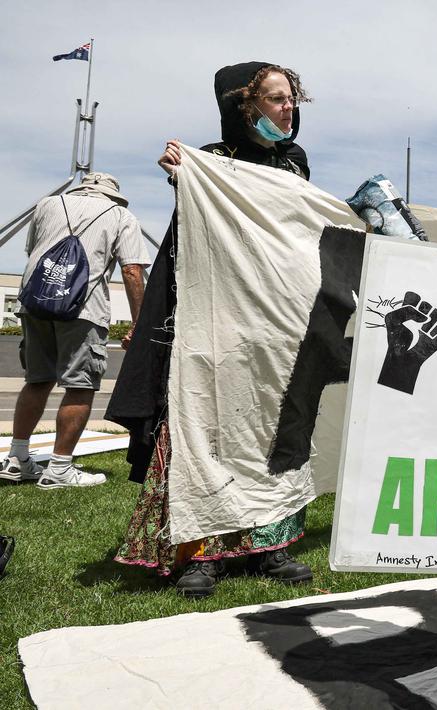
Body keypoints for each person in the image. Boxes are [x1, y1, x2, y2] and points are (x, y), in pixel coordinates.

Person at [108, 62, 314, 598]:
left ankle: (269, 545)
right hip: (215, 318)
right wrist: (182, 175)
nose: (288, 108)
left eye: (291, 98)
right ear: (245, 106)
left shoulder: (294, 161)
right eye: (276, 99)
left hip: (274, 321)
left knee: (271, 426)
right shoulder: (212, 159)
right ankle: (200, 550)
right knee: (208, 424)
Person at [2, 173, 149, 489]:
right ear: (113, 195)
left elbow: (34, 251)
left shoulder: (47, 205)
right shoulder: (121, 216)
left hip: (35, 302)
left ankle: (17, 458)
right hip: (83, 308)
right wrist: (139, 324)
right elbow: (132, 270)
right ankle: (59, 468)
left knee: (37, 380)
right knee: (80, 385)